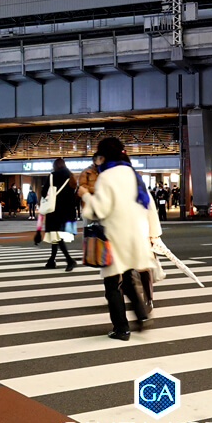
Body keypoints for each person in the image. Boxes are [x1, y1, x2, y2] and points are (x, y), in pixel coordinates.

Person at [78, 137, 161, 341]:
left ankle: (121, 328)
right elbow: (149, 204)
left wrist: (85, 195)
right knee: (129, 280)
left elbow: (100, 209)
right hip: (136, 235)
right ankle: (142, 316)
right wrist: (153, 232)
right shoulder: (133, 174)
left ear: (104, 155)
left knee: (112, 284)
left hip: (115, 236)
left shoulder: (107, 176)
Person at [40, 158, 77, 271]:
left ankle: (69, 260)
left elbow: (43, 192)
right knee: (56, 236)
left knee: (57, 236)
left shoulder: (52, 176)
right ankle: (51, 260)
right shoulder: (71, 176)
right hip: (68, 211)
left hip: (55, 210)